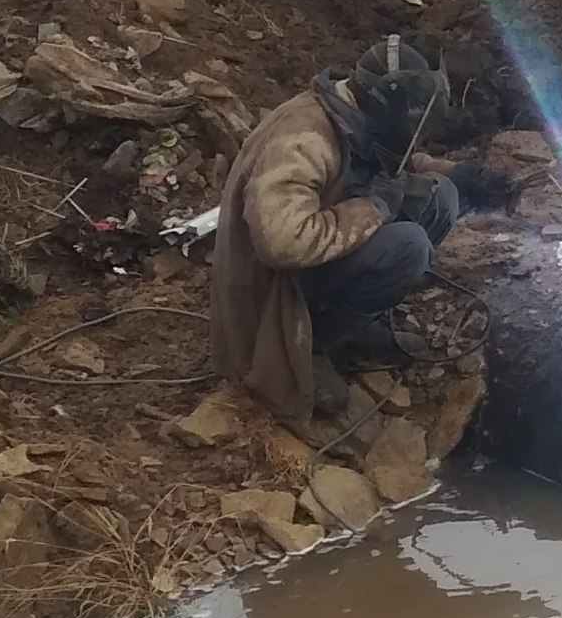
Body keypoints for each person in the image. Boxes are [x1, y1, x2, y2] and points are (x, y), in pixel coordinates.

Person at [211, 36, 513, 430]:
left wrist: (458, 172)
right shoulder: (304, 139)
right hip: (270, 294)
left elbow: (393, 161)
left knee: (441, 196)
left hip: (312, 261)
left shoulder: (355, 112)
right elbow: (282, 244)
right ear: (387, 105)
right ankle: (310, 347)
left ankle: (351, 326)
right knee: (408, 247)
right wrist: (373, 208)